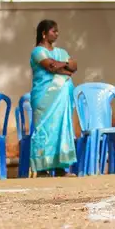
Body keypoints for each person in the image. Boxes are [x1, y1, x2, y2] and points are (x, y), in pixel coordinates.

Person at [29, 20, 77, 176]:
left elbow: (74, 66)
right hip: (44, 98)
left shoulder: (61, 52)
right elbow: (50, 66)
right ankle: (42, 169)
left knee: (60, 129)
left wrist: (62, 66)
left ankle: (60, 168)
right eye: (53, 31)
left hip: (61, 101)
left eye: (57, 31)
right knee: (44, 130)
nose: (57, 33)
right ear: (44, 33)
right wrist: (65, 67)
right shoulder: (37, 52)